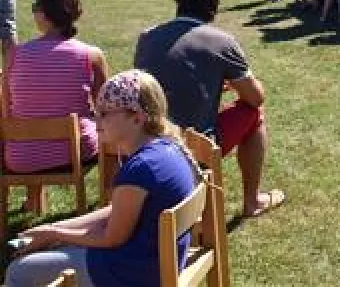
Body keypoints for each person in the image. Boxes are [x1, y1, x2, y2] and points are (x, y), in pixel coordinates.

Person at [4, 70, 199, 287]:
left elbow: (112, 237)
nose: (96, 120)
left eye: (104, 113)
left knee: (20, 270)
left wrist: (55, 234)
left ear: (137, 117)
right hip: (155, 262)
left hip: (133, 272)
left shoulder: (140, 169)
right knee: (52, 249)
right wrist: (55, 230)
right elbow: (117, 212)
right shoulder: (166, 149)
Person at [134, 0, 285, 218]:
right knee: (254, 113)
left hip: (147, 140)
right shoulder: (222, 42)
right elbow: (255, 98)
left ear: (178, 1)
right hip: (194, 145)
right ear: (214, 7)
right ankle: (252, 201)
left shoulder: (147, 37)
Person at [3, 0, 109, 213]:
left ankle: (33, 202)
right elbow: (107, 108)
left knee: (30, 118)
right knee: (110, 128)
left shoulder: (15, 55)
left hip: (21, 157)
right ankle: (111, 200)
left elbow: (7, 110)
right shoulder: (90, 55)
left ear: (44, 15)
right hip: (76, 152)